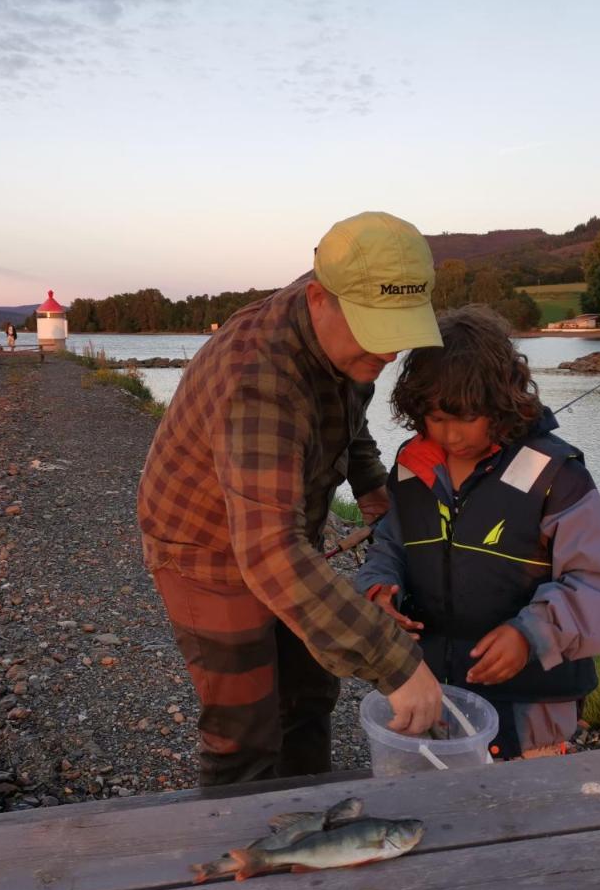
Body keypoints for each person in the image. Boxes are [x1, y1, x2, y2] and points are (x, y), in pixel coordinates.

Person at [138, 211, 447, 786]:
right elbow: (268, 553)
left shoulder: (348, 339)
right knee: (245, 731)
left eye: (397, 330)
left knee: (309, 695)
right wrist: (397, 663)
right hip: (202, 545)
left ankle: (309, 832)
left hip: (281, 527)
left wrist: (376, 492)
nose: (387, 354)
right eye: (375, 333)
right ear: (318, 298)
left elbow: (345, 418)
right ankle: (244, 856)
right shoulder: (259, 378)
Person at [355, 305, 600, 759]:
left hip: (531, 707)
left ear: (500, 399)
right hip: (433, 691)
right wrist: (377, 589)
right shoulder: (412, 468)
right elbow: (390, 544)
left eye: (466, 416)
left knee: (523, 815)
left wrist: (530, 635)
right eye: (436, 417)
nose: (451, 435)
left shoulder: (556, 475)